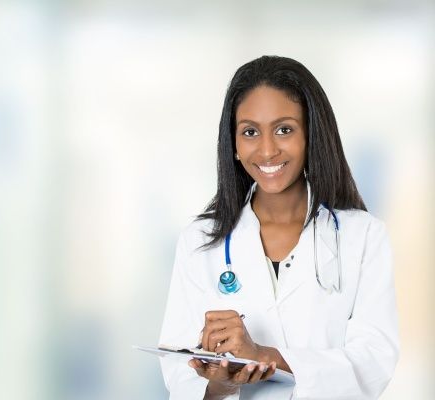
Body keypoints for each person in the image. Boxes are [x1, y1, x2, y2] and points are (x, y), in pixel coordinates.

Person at [158, 56, 399, 400]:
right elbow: (178, 374)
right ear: (234, 145)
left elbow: (373, 363)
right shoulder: (199, 242)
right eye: (250, 132)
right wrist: (222, 384)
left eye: (284, 129)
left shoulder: (363, 236)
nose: (268, 150)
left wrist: (265, 356)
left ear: (311, 135)